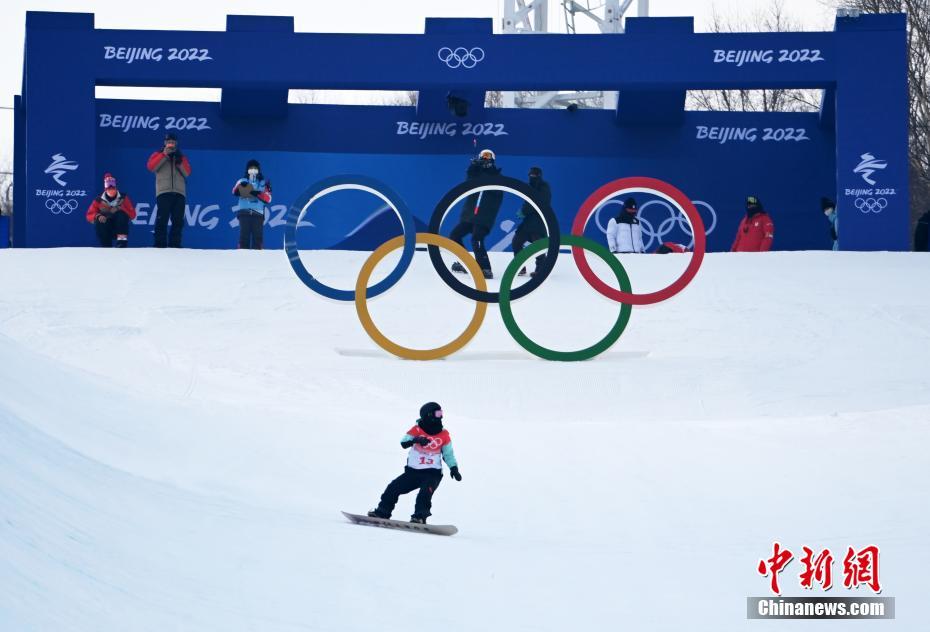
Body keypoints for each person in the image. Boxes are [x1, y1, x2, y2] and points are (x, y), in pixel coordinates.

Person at [368, 402, 461, 524]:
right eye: (438, 414)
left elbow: (448, 454)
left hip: (432, 474)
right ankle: (382, 512)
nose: (441, 416)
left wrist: (454, 468)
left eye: (441, 413)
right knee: (393, 488)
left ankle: (419, 517)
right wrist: (416, 440)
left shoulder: (444, 434)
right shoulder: (417, 429)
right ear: (429, 415)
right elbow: (403, 442)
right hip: (413, 473)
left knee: (424, 494)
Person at [449, 149, 504, 279]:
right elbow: (468, 184)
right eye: (483, 156)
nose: (485, 159)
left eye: (488, 156)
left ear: (493, 159)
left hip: (484, 216)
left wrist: (483, 171)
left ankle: (485, 268)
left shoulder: (497, 177)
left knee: (477, 238)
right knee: (455, 235)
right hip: (470, 216)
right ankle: (466, 263)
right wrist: (473, 168)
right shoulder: (476, 174)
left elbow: (495, 190)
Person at [147, 132, 192, 248]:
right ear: (165, 143)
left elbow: (187, 173)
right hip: (164, 191)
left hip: (179, 192)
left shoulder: (181, 157)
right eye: (168, 142)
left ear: (176, 143)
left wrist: (178, 160)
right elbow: (151, 167)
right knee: (162, 218)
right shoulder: (158, 154)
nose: (171, 144)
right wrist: (164, 155)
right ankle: (159, 244)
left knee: (178, 220)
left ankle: (175, 244)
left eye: (173, 142)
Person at [512, 166, 551, 276]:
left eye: (534, 174)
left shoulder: (544, 186)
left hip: (538, 222)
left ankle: (541, 269)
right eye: (530, 174)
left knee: (537, 246)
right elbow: (529, 202)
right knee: (516, 242)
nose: (532, 176)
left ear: (539, 175)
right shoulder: (529, 186)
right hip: (528, 222)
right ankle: (520, 267)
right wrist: (524, 210)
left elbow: (539, 202)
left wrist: (524, 211)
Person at [85, 173, 137, 248]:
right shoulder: (99, 200)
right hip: (106, 228)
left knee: (121, 215)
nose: (111, 188)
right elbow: (89, 215)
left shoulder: (123, 198)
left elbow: (133, 214)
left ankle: (121, 244)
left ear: (116, 187)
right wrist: (98, 216)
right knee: (99, 221)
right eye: (108, 186)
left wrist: (119, 208)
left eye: (113, 186)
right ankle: (106, 246)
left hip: (119, 228)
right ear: (105, 188)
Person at [232, 159, 272, 249]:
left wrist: (256, 193)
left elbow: (268, 199)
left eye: (255, 169)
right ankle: (241, 256)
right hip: (244, 213)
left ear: (259, 170)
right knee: (243, 238)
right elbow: (234, 191)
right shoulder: (242, 180)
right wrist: (241, 188)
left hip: (258, 214)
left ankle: (257, 257)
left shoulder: (263, 183)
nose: (253, 171)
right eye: (251, 169)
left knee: (258, 240)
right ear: (247, 170)